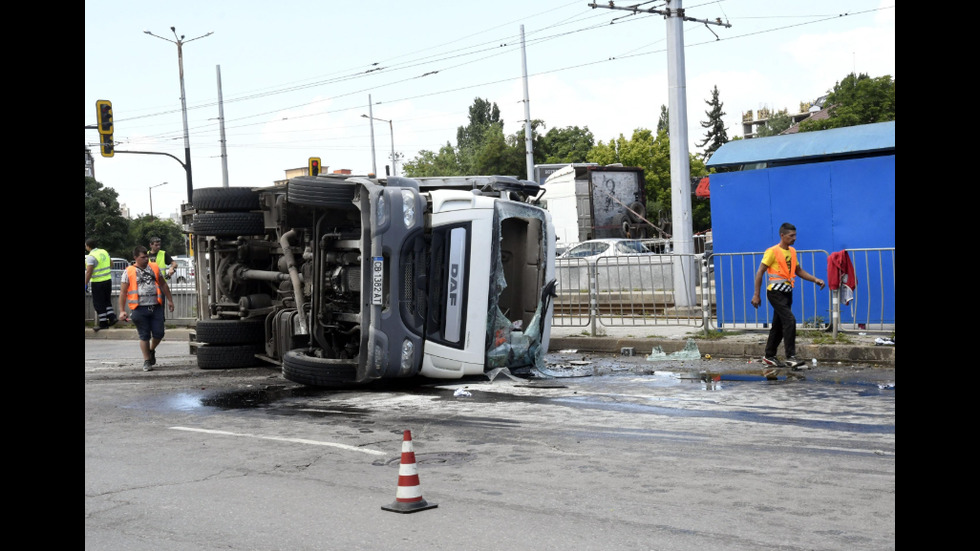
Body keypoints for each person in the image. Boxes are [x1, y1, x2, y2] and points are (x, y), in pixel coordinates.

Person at [751, 222, 825, 372]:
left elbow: (799, 271)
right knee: (790, 320)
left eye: (795, 235)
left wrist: (815, 279)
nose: (794, 238)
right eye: (791, 236)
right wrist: (756, 294)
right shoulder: (772, 251)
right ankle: (790, 356)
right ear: (782, 235)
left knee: (778, 325)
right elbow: (760, 272)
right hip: (775, 292)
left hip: (787, 292)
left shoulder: (792, 251)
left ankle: (769, 356)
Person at [117, 245, 175, 371]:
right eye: (143, 257)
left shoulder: (154, 267)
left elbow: (163, 284)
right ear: (135, 258)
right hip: (139, 308)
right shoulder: (128, 271)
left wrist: (170, 300)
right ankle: (147, 361)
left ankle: (151, 350)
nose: (146, 259)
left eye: (147, 256)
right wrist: (122, 311)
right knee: (144, 335)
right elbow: (123, 292)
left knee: (159, 333)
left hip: (156, 306)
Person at [85, 238, 118, 332]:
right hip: (108, 280)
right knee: (107, 301)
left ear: (88, 246)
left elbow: (89, 272)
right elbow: (111, 264)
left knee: (98, 303)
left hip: (98, 282)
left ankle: (103, 323)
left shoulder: (91, 256)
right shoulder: (104, 251)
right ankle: (112, 317)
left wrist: (85, 284)